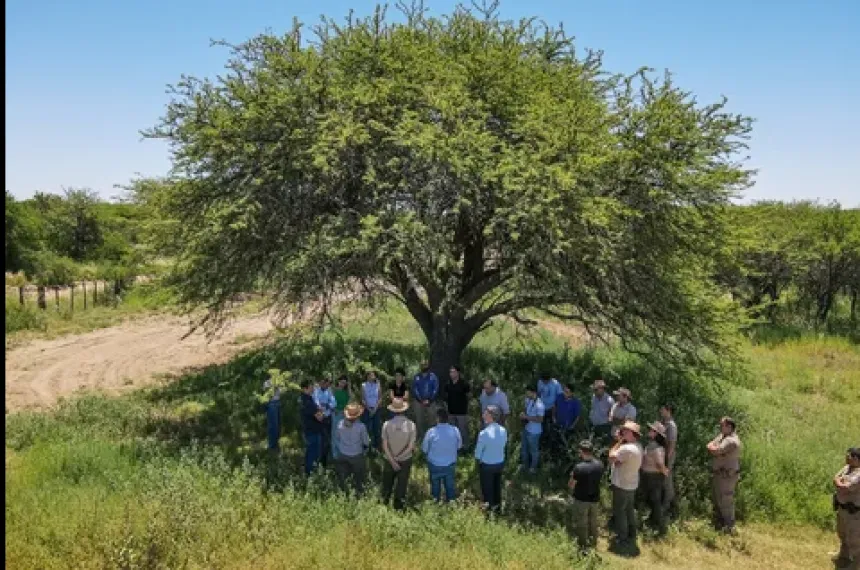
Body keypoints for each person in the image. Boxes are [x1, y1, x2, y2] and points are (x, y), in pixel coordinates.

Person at [608, 420, 643, 548]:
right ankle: (632, 533)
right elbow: (619, 461)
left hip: (621, 484)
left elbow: (611, 457)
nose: (623, 432)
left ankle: (622, 537)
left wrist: (618, 442)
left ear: (632, 433)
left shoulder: (626, 448)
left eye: (625, 431)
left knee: (620, 511)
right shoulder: (638, 446)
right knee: (629, 510)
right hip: (631, 483)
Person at [706, 416, 742, 533]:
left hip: (727, 476)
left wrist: (713, 448)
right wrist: (712, 447)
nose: (720, 427)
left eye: (722, 425)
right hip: (720, 475)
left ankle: (730, 527)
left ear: (729, 427)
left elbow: (716, 450)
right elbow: (710, 445)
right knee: (718, 499)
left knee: (726, 500)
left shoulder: (731, 441)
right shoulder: (722, 436)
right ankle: (720, 524)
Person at [380, 398, 417, 511]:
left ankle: (384, 506)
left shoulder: (386, 424)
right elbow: (410, 447)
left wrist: (392, 460)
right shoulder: (411, 425)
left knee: (387, 484)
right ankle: (398, 508)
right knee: (401, 485)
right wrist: (399, 458)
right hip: (405, 459)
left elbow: (385, 445)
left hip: (389, 460)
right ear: (404, 410)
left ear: (393, 410)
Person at [568, 440, 604, 552]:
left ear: (581, 452)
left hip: (581, 500)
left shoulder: (579, 467)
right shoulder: (599, 465)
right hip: (595, 499)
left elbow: (571, 485)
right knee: (593, 522)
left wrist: (572, 475)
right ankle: (593, 542)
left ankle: (583, 546)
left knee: (582, 523)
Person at [421, 407, 462, 502]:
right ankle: (451, 505)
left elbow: (424, 449)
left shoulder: (431, 431)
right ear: (448, 418)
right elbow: (459, 446)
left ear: (437, 418)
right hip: (450, 464)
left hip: (434, 464)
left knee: (435, 488)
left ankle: (435, 504)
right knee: (450, 487)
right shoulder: (455, 430)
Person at [474, 405, 507, 514]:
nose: (483, 415)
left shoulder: (484, 433)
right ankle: (498, 510)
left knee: (487, 490)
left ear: (491, 416)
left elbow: (478, 453)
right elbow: (504, 444)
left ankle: (489, 513)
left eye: (485, 413)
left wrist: (478, 461)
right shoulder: (503, 430)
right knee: (497, 487)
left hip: (487, 465)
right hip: (499, 463)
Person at [334, 403, 370, 494]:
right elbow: (366, 442)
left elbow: (337, 438)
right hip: (357, 455)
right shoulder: (361, 427)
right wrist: (365, 450)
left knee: (343, 477)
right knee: (359, 477)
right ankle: (359, 493)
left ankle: (343, 493)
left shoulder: (340, 424)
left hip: (342, 454)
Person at [641, 422, 670, 536]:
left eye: (652, 430)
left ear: (656, 434)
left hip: (654, 476)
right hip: (650, 475)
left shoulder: (657, 447)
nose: (649, 431)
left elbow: (659, 463)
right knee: (652, 500)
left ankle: (659, 526)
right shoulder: (652, 445)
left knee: (656, 501)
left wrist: (664, 471)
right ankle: (653, 522)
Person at [833, 447, 860, 569]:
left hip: (853, 513)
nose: (846, 457)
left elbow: (845, 487)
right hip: (842, 508)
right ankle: (844, 555)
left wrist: (839, 482)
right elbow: (835, 478)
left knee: (854, 540)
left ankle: (856, 564)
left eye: (849, 456)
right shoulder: (847, 468)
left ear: (856, 458)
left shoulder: (859, 474)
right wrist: (839, 481)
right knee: (842, 534)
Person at [299, 379, 325, 475]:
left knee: (310, 452)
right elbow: (320, 418)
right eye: (311, 386)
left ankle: (308, 471)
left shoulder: (304, 399)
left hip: (308, 429)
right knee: (313, 454)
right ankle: (310, 474)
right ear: (305, 388)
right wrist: (321, 411)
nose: (313, 388)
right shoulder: (308, 402)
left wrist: (318, 409)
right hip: (313, 431)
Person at [520, 386, 546, 474]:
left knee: (533, 451)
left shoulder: (540, 405)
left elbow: (540, 419)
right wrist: (523, 414)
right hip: (526, 428)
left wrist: (527, 417)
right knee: (524, 449)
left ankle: (533, 468)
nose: (526, 394)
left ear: (533, 393)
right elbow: (526, 410)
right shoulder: (528, 400)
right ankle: (525, 465)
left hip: (534, 432)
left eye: (528, 393)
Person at [659, 404, 679, 518]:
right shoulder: (663, 422)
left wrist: (666, 459)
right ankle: (667, 502)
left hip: (667, 455)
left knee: (667, 479)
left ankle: (669, 504)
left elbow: (672, 444)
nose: (661, 411)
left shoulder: (671, 425)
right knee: (663, 479)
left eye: (663, 409)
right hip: (661, 454)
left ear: (668, 411)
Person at [313, 375, 337, 466]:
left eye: (329, 384)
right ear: (322, 382)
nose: (327, 385)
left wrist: (327, 405)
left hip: (327, 418)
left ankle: (324, 460)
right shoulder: (316, 391)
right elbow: (317, 403)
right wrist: (324, 406)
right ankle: (318, 459)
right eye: (326, 383)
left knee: (327, 440)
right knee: (320, 439)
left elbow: (334, 403)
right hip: (319, 418)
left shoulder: (329, 391)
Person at [446, 365, 471, 450]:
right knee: (452, 431)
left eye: (453, 372)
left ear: (458, 373)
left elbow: (469, 395)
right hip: (451, 411)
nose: (451, 374)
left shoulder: (464, 384)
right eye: (450, 372)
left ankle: (465, 447)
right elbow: (446, 396)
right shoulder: (448, 384)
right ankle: (454, 446)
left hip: (461, 412)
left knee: (463, 430)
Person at [412, 361, 439, 438]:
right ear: (420, 366)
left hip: (431, 401)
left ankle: (432, 436)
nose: (424, 366)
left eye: (425, 365)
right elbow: (415, 388)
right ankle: (421, 436)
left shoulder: (433, 376)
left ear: (428, 366)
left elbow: (436, 388)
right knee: (419, 419)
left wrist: (430, 399)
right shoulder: (416, 377)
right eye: (422, 365)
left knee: (432, 419)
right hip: (418, 401)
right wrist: (420, 399)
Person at [361, 370, 382, 450]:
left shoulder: (378, 385)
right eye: (370, 375)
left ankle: (376, 448)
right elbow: (363, 399)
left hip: (376, 409)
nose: (372, 377)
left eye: (373, 375)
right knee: (366, 429)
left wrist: (375, 408)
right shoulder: (363, 385)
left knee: (376, 428)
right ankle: (366, 448)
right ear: (367, 376)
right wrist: (369, 409)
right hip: (367, 410)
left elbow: (380, 398)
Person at [537, 372, 563, 438]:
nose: (545, 382)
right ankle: (543, 438)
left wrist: (556, 407)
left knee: (553, 425)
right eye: (543, 380)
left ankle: (553, 439)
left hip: (552, 408)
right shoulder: (540, 382)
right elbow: (539, 393)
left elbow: (560, 396)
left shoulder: (556, 383)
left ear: (550, 379)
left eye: (546, 381)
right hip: (542, 408)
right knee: (542, 425)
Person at [331, 375, 351, 460]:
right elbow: (330, 401)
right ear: (338, 382)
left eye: (344, 383)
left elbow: (349, 400)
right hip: (336, 413)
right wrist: (334, 409)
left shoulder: (346, 392)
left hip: (344, 414)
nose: (343, 384)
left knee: (343, 433)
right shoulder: (334, 390)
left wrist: (349, 387)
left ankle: (342, 452)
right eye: (342, 382)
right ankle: (335, 454)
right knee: (335, 433)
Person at [261, 375, 282, 451]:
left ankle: (276, 444)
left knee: (278, 425)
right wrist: (274, 386)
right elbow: (268, 394)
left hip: (278, 403)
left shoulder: (279, 382)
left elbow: (281, 392)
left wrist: (279, 386)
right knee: (273, 425)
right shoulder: (267, 383)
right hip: (271, 404)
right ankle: (272, 446)